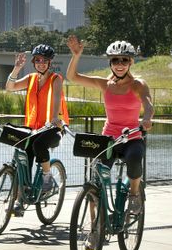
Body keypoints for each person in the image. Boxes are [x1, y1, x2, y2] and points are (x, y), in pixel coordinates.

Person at [66, 36, 154, 215]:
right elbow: (72, 77)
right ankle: (94, 225)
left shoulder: (138, 84)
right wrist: (76, 56)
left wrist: (147, 118)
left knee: (135, 158)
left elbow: (149, 105)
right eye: (115, 60)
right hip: (109, 140)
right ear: (110, 63)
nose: (119, 64)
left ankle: (134, 194)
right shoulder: (105, 84)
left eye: (124, 60)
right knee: (96, 182)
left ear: (131, 62)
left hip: (132, 137)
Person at [5, 43, 69, 214]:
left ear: (49, 63)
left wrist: (54, 118)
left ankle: (48, 179)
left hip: (53, 128)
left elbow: (56, 99)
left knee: (38, 145)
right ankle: (20, 200)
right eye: (38, 60)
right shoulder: (31, 78)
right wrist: (17, 69)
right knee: (24, 157)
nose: (41, 63)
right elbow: (10, 88)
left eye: (44, 60)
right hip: (33, 128)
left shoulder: (56, 79)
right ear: (33, 62)